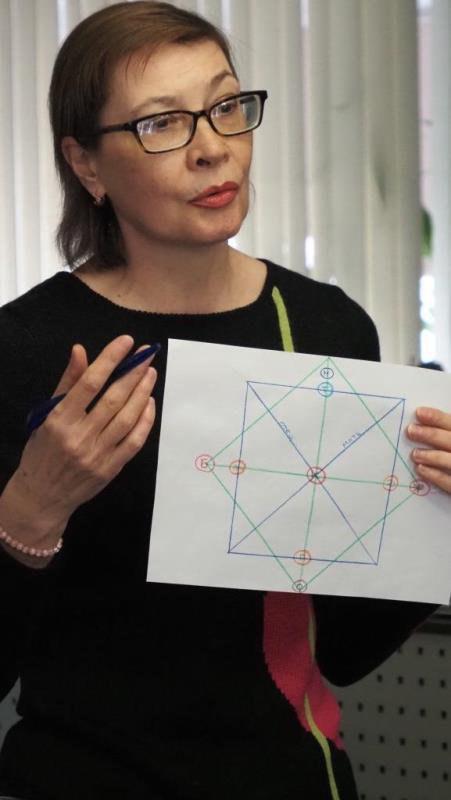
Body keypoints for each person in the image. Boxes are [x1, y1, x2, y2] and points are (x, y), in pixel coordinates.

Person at [0, 2, 450, 798]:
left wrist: (439, 517)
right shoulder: (25, 345)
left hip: (293, 778)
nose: (212, 147)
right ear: (87, 164)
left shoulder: (325, 326)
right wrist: (31, 512)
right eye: (161, 123)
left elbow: (347, 646)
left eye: (226, 106)